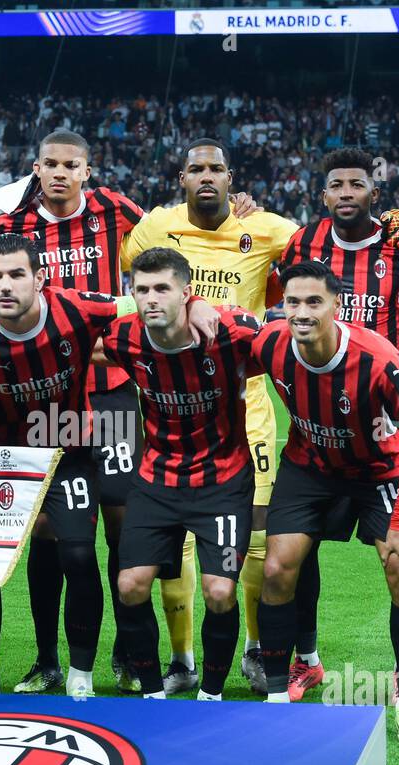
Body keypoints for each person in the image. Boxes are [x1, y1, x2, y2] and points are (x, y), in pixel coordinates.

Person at [0, 129, 260, 695]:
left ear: (88, 170)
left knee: (118, 522)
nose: (60, 174)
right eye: (50, 165)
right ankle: (47, 658)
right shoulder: (8, 227)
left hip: (111, 384)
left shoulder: (118, 211)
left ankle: (130, 657)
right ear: (36, 168)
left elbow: (173, 257)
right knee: (46, 528)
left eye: (71, 165)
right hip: (45, 392)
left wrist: (206, 284)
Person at [0, 232, 219, 696]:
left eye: (17, 275)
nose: (4, 286)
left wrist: (195, 300)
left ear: (40, 278)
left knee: (79, 554)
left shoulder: (78, 308)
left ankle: (81, 676)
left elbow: (141, 299)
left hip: (65, 446)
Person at [276, 147, 399, 701]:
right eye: (337, 184)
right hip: (318, 430)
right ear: (323, 194)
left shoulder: (398, 242)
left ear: (374, 193)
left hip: (385, 433)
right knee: (292, 555)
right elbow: (273, 308)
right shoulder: (302, 245)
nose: (347, 192)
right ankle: (304, 661)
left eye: (358, 183)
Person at [122, 138, 297, 695]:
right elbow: (130, 280)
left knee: (258, 543)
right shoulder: (155, 229)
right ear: (181, 177)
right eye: (195, 168)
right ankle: (180, 659)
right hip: (176, 413)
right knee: (177, 554)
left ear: (231, 178)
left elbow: (320, 254)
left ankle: (251, 646)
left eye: (215, 170)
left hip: (247, 406)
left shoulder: (266, 227)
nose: (205, 177)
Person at [253, 262, 399, 746]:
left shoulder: (379, 360)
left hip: (379, 472)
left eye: (314, 302)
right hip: (310, 468)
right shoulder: (269, 343)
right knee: (276, 568)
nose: (302, 312)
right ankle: (279, 692)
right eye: (293, 302)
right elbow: (225, 327)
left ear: (337, 306)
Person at [105, 247, 260, 700]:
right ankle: (154, 692)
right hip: (157, 481)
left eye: (162, 289)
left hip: (223, 482)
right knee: (130, 584)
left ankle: (210, 693)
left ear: (186, 292)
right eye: (142, 290)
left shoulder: (228, 331)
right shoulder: (123, 338)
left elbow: (284, 350)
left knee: (218, 592)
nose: (151, 299)